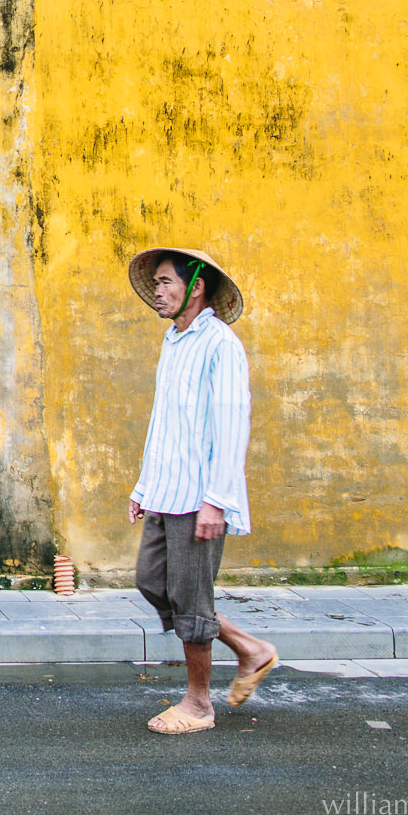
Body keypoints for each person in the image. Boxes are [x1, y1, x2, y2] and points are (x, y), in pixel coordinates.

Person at [125, 246, 277, 734]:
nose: (158, 291)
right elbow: (163, 422)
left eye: (167, 282)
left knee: (190, 601)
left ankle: (198, 704)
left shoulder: (220, 344)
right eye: (157, 283)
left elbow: (233, 425)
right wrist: (144, 485)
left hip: (198, 497)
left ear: (196, 287)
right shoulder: (173, 341)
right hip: (166, 492)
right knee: (152, 581)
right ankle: (250, 648)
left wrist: (218, 500)